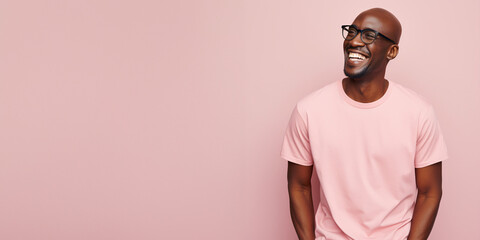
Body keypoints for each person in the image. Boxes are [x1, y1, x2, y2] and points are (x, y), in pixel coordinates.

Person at [280, 8, 448, 240]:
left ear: (392, 51)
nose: (354, 41)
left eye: (369, 35)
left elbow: (430, 192)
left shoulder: (419, 112)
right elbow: (299, 186)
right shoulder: (308, 110)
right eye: (352, 32)